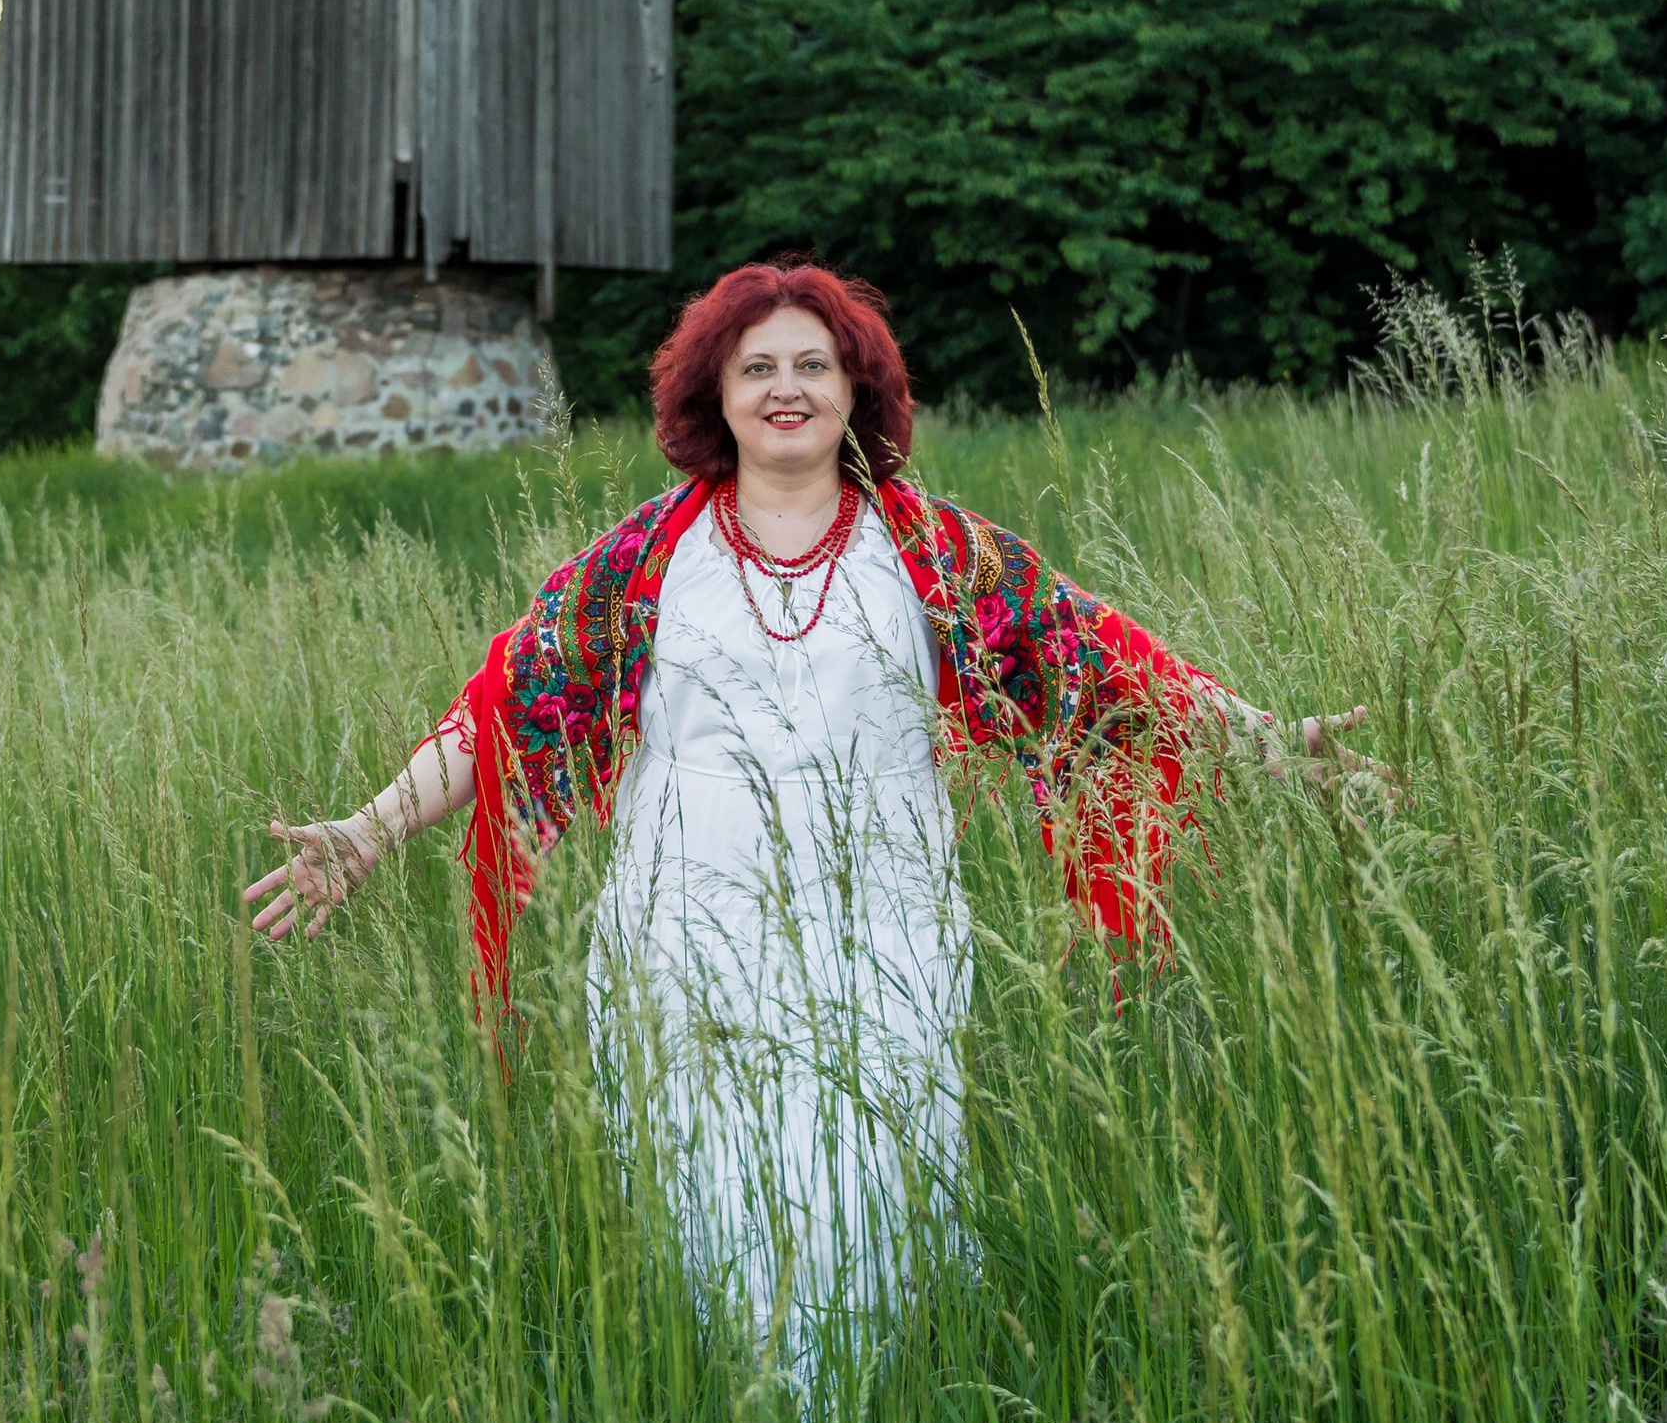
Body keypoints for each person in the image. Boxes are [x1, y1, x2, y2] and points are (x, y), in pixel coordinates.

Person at [243, 264, 1364, 1366]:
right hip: (684, 950)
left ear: (855, 390)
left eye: (813, 366)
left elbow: (1103, 668)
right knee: (709, 1219)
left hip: (881, 947)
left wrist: (1265, 740)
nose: (787, 388)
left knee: (869, 1212)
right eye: (757, 367)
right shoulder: (642, 559)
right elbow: (507, 713)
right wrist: (368, 829)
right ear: (714, 396)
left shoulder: (936, 553)